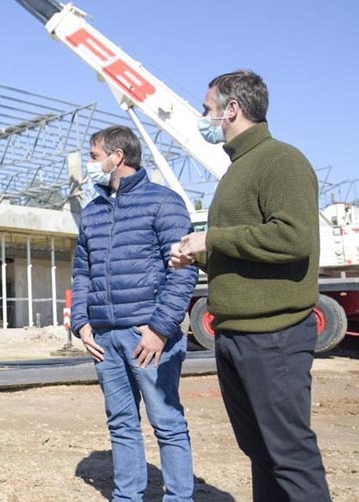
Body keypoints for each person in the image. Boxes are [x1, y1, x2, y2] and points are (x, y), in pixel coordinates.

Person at [172, 70, 330, 501]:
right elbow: (248, 249)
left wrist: (214, 238)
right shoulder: (238, 168)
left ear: (232, 110)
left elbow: (293, 238)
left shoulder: (281, 161)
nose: (203, 117)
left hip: (274, 337)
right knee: (260, 452)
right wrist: (198, 253)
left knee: (289, 454)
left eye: (207, 109)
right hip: (237, 335)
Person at [71, 125, 198, 501]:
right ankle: (127, 497)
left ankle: (178, 498)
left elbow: (183, 270)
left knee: (167, 422)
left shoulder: (163, 202)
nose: (89, 164)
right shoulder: (93, 213)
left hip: (148, 337)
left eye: (93, 157)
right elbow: (82, 271)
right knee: (121, 425)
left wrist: (159, 329)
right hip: (106, 339)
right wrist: (82, 323)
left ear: (117, 157)